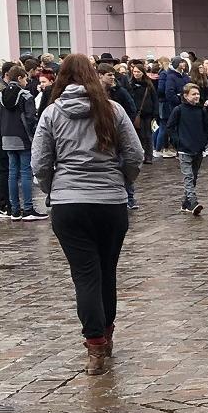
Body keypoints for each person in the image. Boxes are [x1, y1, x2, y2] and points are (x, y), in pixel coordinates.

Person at [33, 54, 145, 375]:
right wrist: (121, 180)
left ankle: (95, 342)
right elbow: (134, 154)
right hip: (110, 202)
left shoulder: (52, 113)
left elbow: (40, 162)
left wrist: (53, 188)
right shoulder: (113, 110)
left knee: (85, 274)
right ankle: (105, 334)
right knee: (106, 270)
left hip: (70, 204)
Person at [0, 68, 44, 221]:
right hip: (22, 137)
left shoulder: (0, 95)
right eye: (24, 79)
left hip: (6, 137)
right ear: (19, 78)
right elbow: (30, 118)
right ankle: (28, 208)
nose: (26, 82)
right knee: (25, 173)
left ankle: (15, 210)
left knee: (12, 173)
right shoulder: (25, 96)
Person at [164, 84, 208, 216]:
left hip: (198, 148)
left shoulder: (201, 111)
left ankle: (186, 203)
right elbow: (170, 127)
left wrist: (203, 142)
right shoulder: (178, 110)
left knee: (194, 176)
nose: (196, 96)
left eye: (197, 94)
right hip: (184, 149)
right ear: (185, 96)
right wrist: (177, 142)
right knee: (188, 176)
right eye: (193, 94)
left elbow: (206, 128)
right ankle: (193, 201)